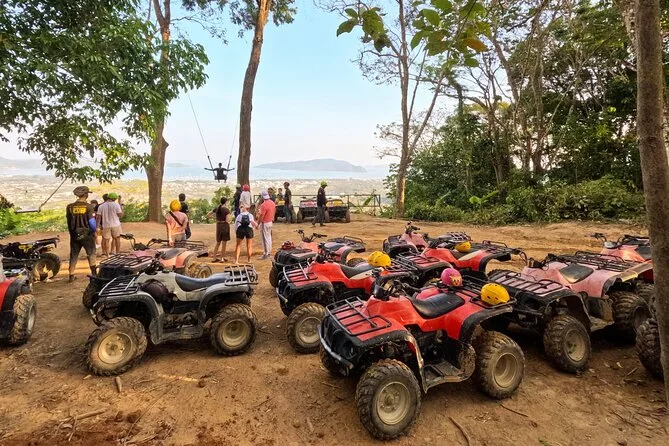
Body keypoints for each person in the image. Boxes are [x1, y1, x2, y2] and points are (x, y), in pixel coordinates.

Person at [66, 186, 97, 282]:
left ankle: (71, 275)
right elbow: (92, 222)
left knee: (74, 255)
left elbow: (69, 221)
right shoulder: (89, 206)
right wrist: (95, 231)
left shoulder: (69, 207)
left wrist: (72, 232)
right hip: (87, 234)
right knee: (91, 253)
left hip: (74, 234)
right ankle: (94, 274)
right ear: (85, 195)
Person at [207, 197, 231, 262]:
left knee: (218, 242)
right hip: (224, 226)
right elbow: (227, 220)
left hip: (218, 225)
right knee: (224, 243)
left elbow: (208, 214)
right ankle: (222, 258)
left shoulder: (217, 208)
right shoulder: (226, 210)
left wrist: (215, 218)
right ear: (226, 202)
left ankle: (214, 258)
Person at [257, 190, 276, 259]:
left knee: (264, 238)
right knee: (268, 237)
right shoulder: (272, 203)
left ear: (262, 196)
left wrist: (257, 223)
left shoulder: (263, 205)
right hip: (270, 221)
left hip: (264, 223)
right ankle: (269, 252)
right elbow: (274, 211)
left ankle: (266, 253)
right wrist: (272, 217)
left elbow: (261, 216)